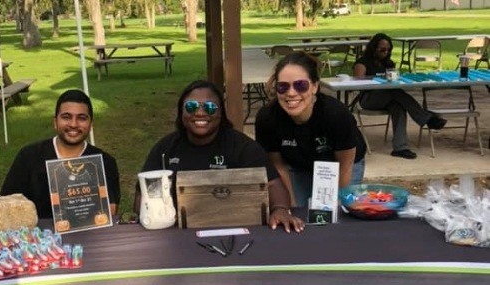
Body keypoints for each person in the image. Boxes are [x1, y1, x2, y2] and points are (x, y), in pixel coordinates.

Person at [134, 80, 304, 233]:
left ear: (221, 113)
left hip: (234, 228)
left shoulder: (241, 146)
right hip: (177, 231)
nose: (200, 113)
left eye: (210, 107)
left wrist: (280, 209)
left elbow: (273, 183)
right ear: (181, 112)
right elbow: (143, 194)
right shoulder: (166, 148)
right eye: (191, 107)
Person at [255, 51, 367, 208]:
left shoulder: (335, 114)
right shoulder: (267, 118)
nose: (291, 93)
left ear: (314, 86)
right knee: (299, 211)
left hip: (339, 164)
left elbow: (345, 164)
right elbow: (278, 165)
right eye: (283, 87)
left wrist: (337, 206)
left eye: (301, 85)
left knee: (333, 213)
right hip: (298, 164)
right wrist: (290, 208)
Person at [1, 89, 121, 219]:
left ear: (91, 124)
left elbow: (111, 210)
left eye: (82, 118)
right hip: (37, 236)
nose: (74, 124)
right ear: (55, 122)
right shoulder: (29, 156)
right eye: (66, 117)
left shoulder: (105, 162)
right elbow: (7, 204)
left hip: (89, 235)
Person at [353, 32, 447, 160]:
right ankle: (426, 118)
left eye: (388, 50)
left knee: (399, 107)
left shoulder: (388, 63)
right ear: (373, 48)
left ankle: (400, 148)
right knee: (395, 92)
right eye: (382, 49)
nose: (385, 52)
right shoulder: (362, 62)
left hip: (388, 97)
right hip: (369, 98)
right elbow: (358, 82)